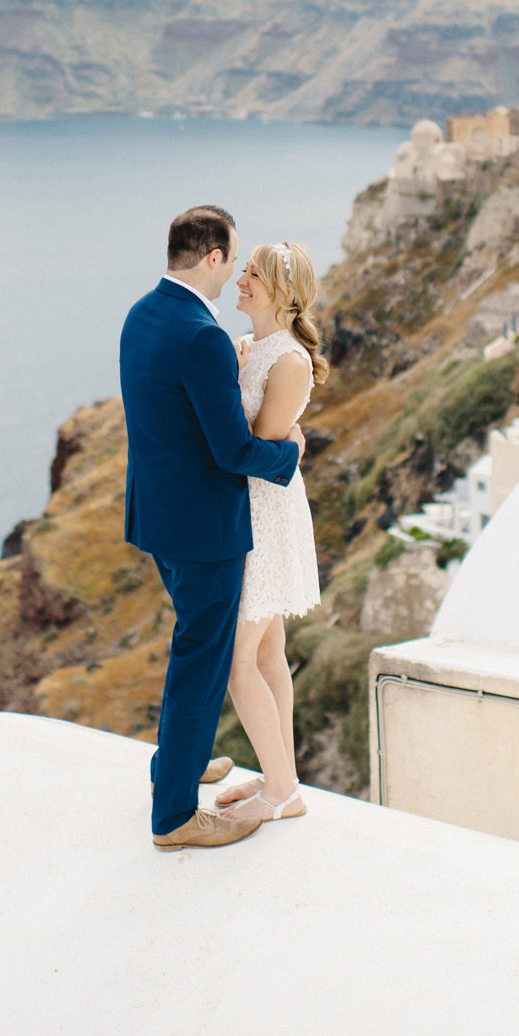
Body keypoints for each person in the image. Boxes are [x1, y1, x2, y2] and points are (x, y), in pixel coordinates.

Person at [119, 206, 303, 851]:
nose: (236, 275)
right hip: (205, 528)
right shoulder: (201, 334)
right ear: (213, 259)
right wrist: (291, 454)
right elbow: (233, 451)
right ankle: (173, 815)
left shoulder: (143, 313)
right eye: (234, 260)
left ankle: (182, 761)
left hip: (158, 516)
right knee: (201, 661)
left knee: (193, 648)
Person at [213, 240, 326, 825]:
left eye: (252, 273)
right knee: (270, 652)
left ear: (281, 291)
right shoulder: (251, 348)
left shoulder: (289, 361)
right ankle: (282, 774)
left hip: (266, 516)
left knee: (239, 662)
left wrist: (232, 385)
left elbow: (256, 449)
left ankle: (281, 792)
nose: (241, 279)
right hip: (251, 510)